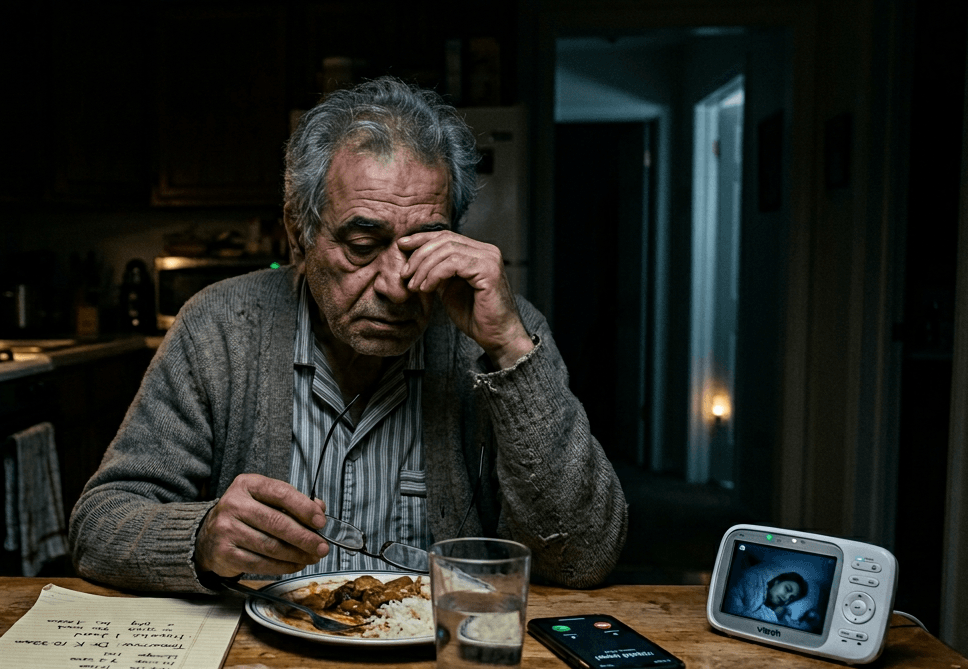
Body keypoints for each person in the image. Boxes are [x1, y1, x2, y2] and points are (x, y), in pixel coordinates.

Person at [68, 76, 627, 593]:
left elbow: (582, 559)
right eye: (362, 246)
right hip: (261, 652)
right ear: (299, 234)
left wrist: (509, 348)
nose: (397, 285)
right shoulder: (218, 327)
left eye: (422, 247)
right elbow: (99, 525)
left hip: (436, 652)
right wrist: (202, 537)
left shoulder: (502, 333)